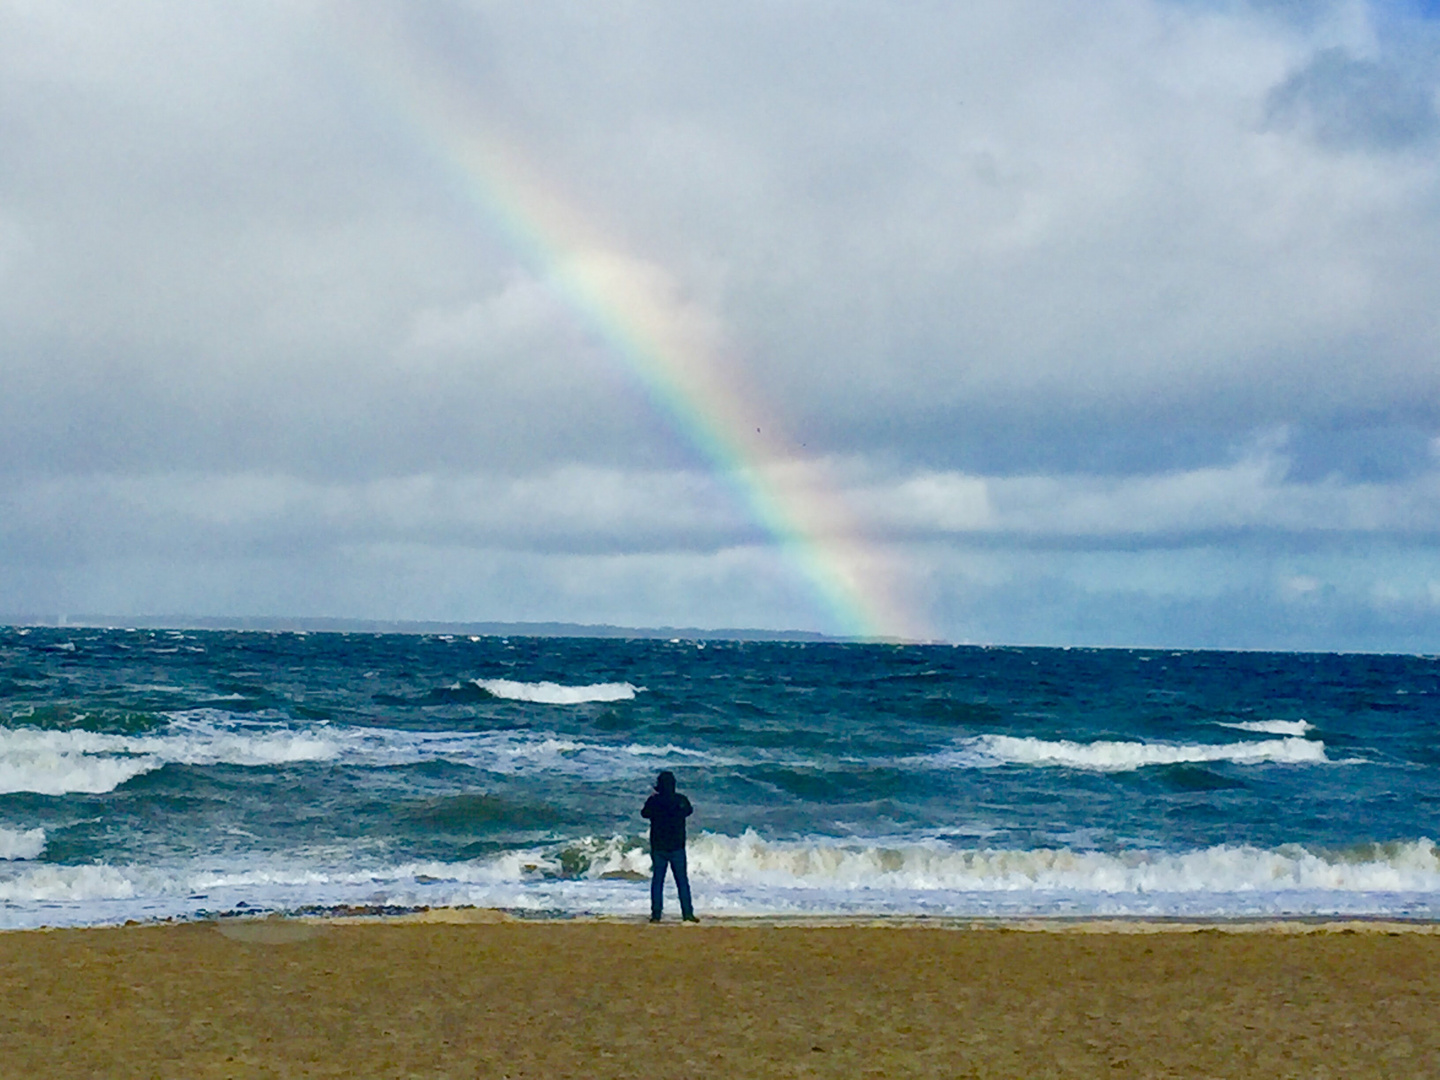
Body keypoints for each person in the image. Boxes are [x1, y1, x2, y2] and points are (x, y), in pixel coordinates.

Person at [641, 770, 697, 922]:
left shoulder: (653, 801)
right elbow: (689, 811)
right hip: (677, 845)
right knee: (682, 881)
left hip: (658, 846)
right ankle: (687, 913)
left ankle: (656, 914)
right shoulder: (680, 800)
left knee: (658, 881)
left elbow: (644, 814)